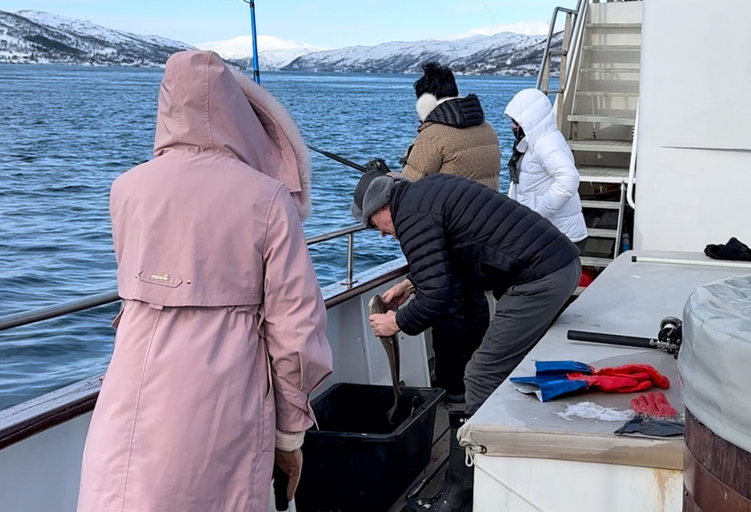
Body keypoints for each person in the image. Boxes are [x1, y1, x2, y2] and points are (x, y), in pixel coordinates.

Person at [76, 51, 333, 512]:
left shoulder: (126, 189)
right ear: (239, 110)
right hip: (222, 399)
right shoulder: (268, 198)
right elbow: (296, 326)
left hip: (126, 393)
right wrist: (290, 432)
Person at [352, 171, 580, 512]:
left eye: (375, 225)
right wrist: (410, 284)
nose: (382, 234)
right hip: (558, 262)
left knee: (481, 374)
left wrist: (395, 322)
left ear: (381, 208)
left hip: (540, 279)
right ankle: (505, 460)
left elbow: (439, 296)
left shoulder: (410, 216)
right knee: (500, 366)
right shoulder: (425, 192)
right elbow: (452, 250)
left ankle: (465, 493)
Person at [399, 62, 502, 400]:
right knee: (476, 305)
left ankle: (452, 387)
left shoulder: (434, 135)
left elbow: (407, 188)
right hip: (485, 234)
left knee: (447, 309)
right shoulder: (485, 126)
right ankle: (480, 378)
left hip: (449, 237)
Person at [504, 88, 588, 251]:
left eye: (516, 122)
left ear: (529, 120)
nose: (513, 126)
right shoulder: (534, 142)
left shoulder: (546, 143)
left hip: (557, 235)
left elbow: (569, 178)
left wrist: (538, 215)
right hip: (547, 233)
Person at [401, 61, 501, 189]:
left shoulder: (433, 136)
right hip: (487, 206)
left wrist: (387, 176)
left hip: (447, 208)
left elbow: (409, 185)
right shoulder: (487, 128)